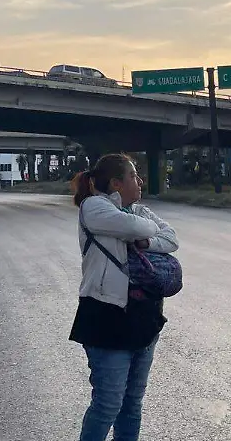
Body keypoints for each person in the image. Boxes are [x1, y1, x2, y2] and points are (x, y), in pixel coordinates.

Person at [69, 154, 178, 441]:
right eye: (133, 176)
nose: (140, 181)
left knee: (132, 405)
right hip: (107, 317)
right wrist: (145, 231)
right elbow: (136, 227)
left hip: (143, 318)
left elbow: (172, 238)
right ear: (116, 183)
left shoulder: (137, 210)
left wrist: (146, 241)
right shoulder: (93, 207)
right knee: (107, 405)